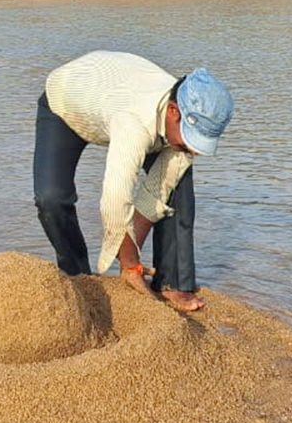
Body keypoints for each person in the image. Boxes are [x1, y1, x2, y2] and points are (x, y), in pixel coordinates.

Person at [33, 50, 234, 312]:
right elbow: (115, 203)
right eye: (191, 138)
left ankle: (172, 284)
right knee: (51, 198)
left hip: (119, 97)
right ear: (173, 112)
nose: (195, 150)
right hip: (67, 103)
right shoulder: (134, 123)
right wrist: (130, 264)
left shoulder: (188, 105)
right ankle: (79, 276)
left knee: (178, 184)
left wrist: (131, 255)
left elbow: (155, 194)